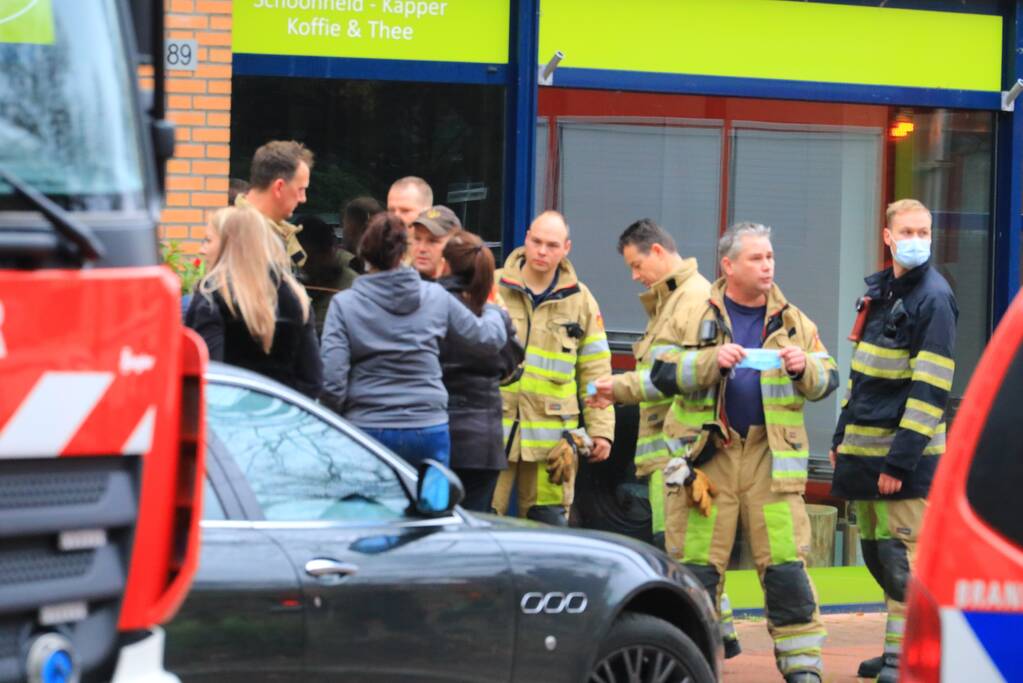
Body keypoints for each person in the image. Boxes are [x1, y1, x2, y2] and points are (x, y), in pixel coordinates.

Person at [649, 222, 838, 683]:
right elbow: (660, 369)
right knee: (697, 573)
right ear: (728, 265)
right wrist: (712, 361)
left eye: (770, 256)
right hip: (706, 461)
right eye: (756, 258)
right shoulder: (692, 311)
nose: (767, 265)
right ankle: (689, 664)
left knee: (786, 571)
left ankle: (803, 669)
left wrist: (804, 368)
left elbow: (828, 376)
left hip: (769, 464)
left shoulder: (793, 319)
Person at [586, 218, 743, 658]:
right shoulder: (672, 301)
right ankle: (722, 635)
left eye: (637, 265)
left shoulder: (690, 300)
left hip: (680, 453)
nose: (635, 276)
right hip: (668, 455)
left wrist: (616, 388)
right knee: (681, 549)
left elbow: (674, 377)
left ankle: (706, 640)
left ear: (657, 252)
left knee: (682, 551)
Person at [829, 199, 958, 683]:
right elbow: (862, 378)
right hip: (865, 453)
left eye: (924, 230)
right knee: (879, 557)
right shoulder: (880, 292)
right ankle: (892, 652)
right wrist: (841, 437)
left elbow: (930, 391)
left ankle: (911, 658)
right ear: (888, 237)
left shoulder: (934, 298)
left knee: (907, 562)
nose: (918, 239)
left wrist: (900, 464)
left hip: (903, 460)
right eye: (908, 230)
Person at [320, 212, 508, 469]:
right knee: (432, 507)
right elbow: (488, 339)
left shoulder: (344, 305)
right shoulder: (435, 297)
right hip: (428, 431)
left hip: (366, 430)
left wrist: (338, 423)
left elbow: (332, 382)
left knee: (371, 509)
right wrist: (493, 309)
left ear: (364, 255)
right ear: (403, 253)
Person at [492, 210, 614, 526]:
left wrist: (601, 430)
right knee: (484, 521)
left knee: (547, 527)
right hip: (494, 430)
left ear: (566, 249)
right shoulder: (493, 286)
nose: (542, 251)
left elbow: (595, 369)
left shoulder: (581, 301)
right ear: (526, 239)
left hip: (553, 442)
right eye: (537, 242)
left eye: (551, 245)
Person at [185, 206, 322, 398]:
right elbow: (312, 381)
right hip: (282, 421)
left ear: (229, 246)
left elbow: (208, 382)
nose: (202, 249)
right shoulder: (295, 297)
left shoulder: (211, 298)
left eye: (208, 240)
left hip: (229, 422)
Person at [438, 230, 524, 511]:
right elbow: (511, 363)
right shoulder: (493, 314)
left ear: (445, 264)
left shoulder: (429, 304)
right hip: (483, 444)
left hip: (438, 435)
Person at [237, 140, 313, 269]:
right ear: (279, 187)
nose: (303, 199)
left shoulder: (276, 231)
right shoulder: (240, 233)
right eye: (300, 189)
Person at [294, 215, 354, 338]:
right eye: (297, 259)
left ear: (329, 251)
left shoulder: (353, 289)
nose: (303, 267)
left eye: (309, 259)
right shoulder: (297, 287)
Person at [411, 205, 460, 280]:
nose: (421, 248)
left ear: (455, 245)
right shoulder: (398, 282)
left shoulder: (471, 286)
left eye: (433, 241)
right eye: (417, 239)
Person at [340, 195, 383, 274]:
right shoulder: (391, 260)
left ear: (351, 226)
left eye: (344, 223)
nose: (343, 228)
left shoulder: (339, 260)